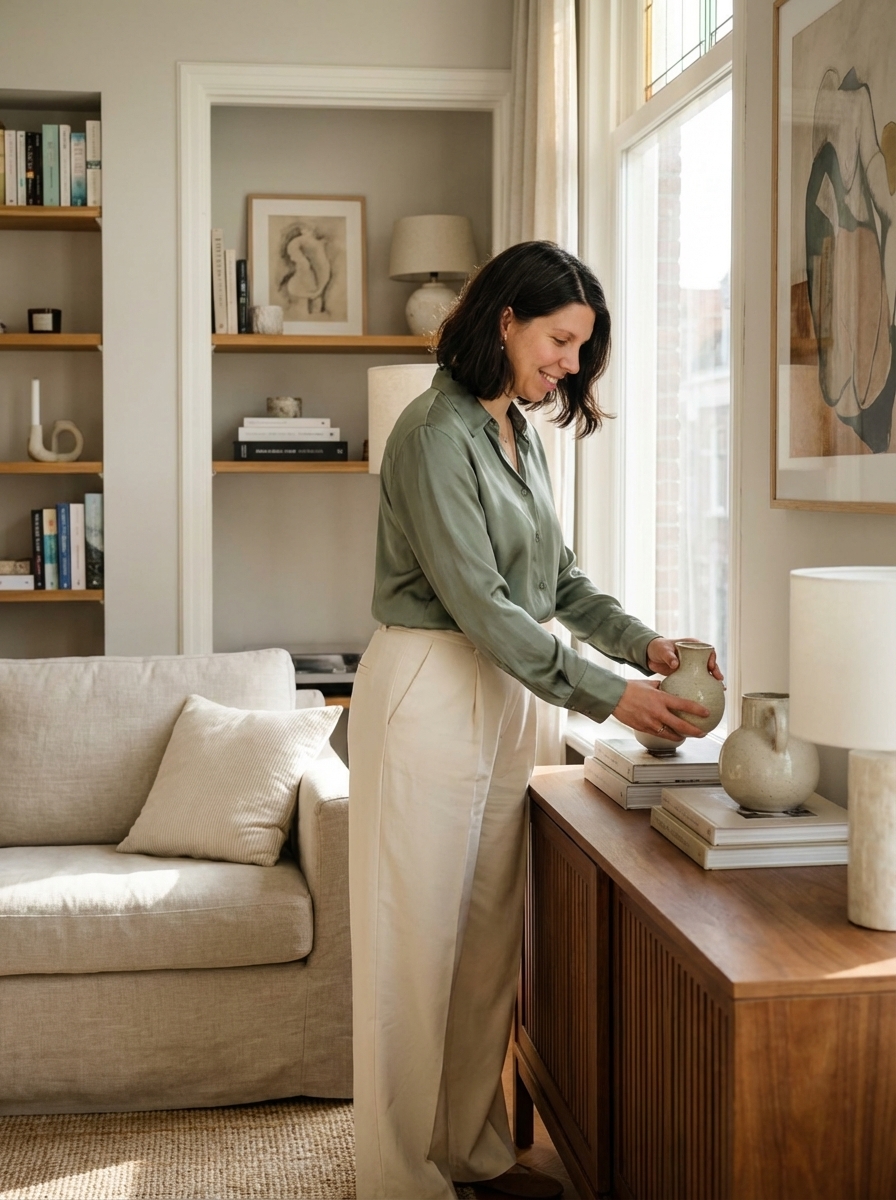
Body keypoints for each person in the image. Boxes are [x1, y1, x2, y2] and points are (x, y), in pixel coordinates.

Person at [348, 240, 722, 1200]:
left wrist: (644, 647)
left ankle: (470, 1153)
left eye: (580, 351)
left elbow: (554, 584)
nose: (567, 365)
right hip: (430, 683)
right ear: (505, 319)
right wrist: (612, 696)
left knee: (481, 942)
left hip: (507, 694)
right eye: (560, 341)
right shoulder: (433, 433)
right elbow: (482, 604)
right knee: (412, 943)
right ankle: (399, 1180)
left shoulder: (517, 432)